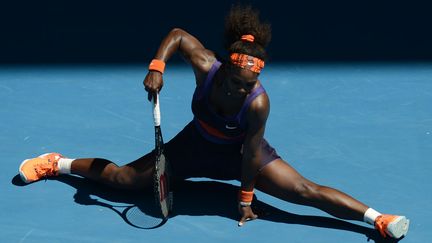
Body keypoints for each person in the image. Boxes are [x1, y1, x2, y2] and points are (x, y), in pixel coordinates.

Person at [19, 4, 409, 239]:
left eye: (252, 84)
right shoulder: (206, 65)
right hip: (192, 148)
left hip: (240, 155)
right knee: (123, 180)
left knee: (303, 190)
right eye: (240, 84)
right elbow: (176, 34)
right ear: (224, 69)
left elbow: (252, 154)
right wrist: (158, 66)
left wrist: (245, 198)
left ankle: (377, 219)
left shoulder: (258, 104)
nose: (246, 90)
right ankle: (58, 163)